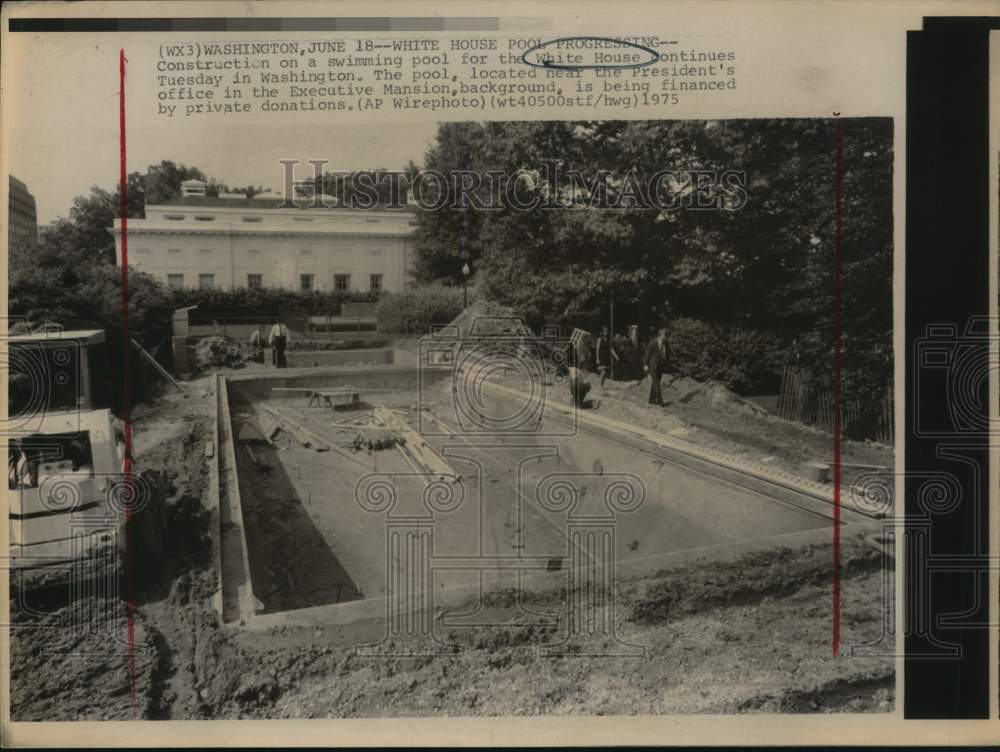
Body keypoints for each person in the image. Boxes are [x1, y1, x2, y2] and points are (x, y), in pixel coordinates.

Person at [643, 327, 669, 405]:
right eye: (665, 336)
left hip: (661, 366)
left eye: (666, 336)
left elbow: (667, 355)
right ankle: (660, 401)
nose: (666, 338)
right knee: (656, 383)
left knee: (655, 383)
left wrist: (666, 364)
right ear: (660, 335)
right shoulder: (653, 342)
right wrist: (645, 364)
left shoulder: (666, 344)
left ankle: (651, 400)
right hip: (653, 366)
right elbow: (647, 354)